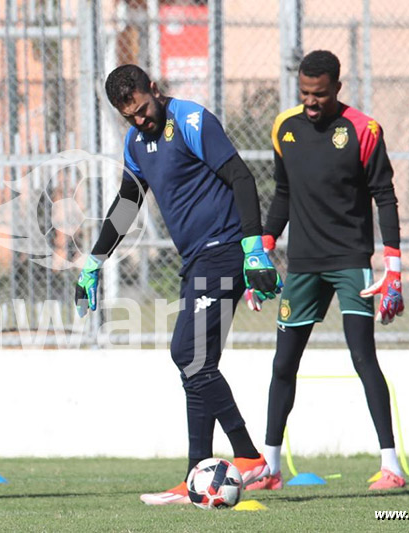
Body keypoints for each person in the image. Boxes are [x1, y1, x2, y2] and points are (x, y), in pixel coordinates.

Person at [75, 64, 283, 505]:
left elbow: (241, 178)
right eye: (129, 116)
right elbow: (128, 202)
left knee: (186, 354)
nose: (139, 121)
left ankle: (248, 456)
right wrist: (94, 261)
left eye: (143, 110)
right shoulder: (135, 142)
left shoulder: (191, 120)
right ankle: (196, 474)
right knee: (196, 366)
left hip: (224, 250)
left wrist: (254, 249)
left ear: (153, 89)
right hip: (196, 260)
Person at [247, 50, 406, 491]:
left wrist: (392, 267)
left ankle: (391, 467)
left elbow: (385, 197)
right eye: (304, 93)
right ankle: (271, 468)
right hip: (303, 266)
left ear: (337, 87)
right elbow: (282, 193)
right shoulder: (285, 128)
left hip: (351, 262)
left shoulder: (364, 130)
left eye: (319, 94)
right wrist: (262, 250)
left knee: (362, 358)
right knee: (283, 364)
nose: (311, 102)